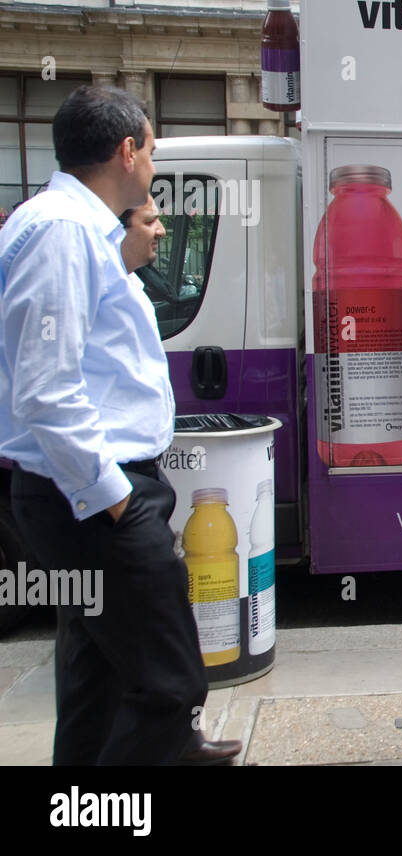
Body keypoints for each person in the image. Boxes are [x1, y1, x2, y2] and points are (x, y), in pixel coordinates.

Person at [0, 85, 239, 765]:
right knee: (168, 680)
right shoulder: (64, 231)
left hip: (76, 492)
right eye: (153, 150)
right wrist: (114, 496)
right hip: (89, 495)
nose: (154, 168)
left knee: (94, 676)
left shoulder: (72, 229)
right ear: (127, 150)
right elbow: (47, 388)